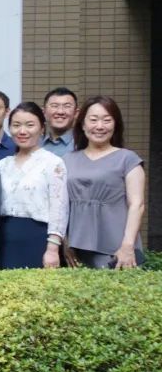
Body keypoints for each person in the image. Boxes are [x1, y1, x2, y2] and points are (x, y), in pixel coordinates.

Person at [64, 96, 146, 269]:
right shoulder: (67, 160)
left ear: (115, 125)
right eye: (93, 120)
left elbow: (137, 205)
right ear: (82, 124)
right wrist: (64, 242)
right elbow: (60, 206)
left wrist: (128, 245)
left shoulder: (128, 159)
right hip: (76, 247)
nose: (100, 126)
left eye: (107, 120)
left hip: (117, 249)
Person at [0, 102, 68, 269]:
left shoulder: (53, 163)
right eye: (16, 125)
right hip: (4, 239)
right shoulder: (2, 165)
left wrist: (53, 248)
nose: (22, 131)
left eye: (30, 125)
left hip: (38, 238)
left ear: (42, 128)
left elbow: (59, 208)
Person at [41, 87, 78, 157]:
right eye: (54, 106)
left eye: (67, 106)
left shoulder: (83, 145)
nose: (60, 111)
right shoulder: (34, 144)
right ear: (44, 112)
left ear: (76, 113)